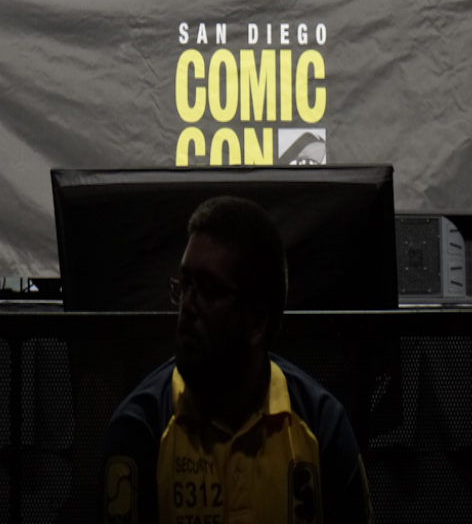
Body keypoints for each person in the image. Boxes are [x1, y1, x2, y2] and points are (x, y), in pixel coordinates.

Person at [101, 196, 373, 523]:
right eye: (184, 286)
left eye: (208, 290)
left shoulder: (322, 425)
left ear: (257, 322)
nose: (187, 306)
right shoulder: (141, 427)